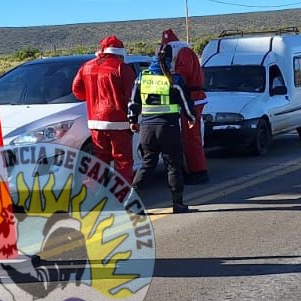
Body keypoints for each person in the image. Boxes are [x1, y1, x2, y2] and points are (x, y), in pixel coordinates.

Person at [129, 44, 195, 213]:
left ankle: (131, 202)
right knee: (173, 166)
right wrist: (191, 118)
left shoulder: (142, 77)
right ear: (170, 59)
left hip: (147, 129)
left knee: (147, 164)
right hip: (169, 128)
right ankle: (178, 204)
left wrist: (133, 120)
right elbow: (185, 102)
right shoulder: (174, 79)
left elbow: (133, 102)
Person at [71, 35, 138, 183]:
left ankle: (92, 195)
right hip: (119, 122)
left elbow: (78, 92)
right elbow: (133, 96)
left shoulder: (86, 66)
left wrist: (93, 98)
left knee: (99, 160)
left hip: (95, 122)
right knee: (123, 161)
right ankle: (123, 196)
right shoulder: (122, 68)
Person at [158, 28, 210, 184]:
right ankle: (192, 168)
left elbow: (182, 77)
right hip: (189, 97)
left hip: (192, 98)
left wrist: (168, 78)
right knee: (188, 137)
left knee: (191, 137)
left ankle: (198, 171)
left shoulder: (183, 53)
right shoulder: (183, 52)